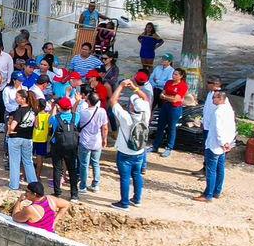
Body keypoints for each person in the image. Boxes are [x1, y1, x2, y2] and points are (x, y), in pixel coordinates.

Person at [109, 79, 152, 209]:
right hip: (139, 151)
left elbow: (112, 101)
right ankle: (137, 199)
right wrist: (134, 88)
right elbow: (146, 98)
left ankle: (124, 203)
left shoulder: (126, 117)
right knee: (137, 174)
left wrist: (121, 86)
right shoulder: (146, 115)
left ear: (132, 106)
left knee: (125, 178)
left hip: (125, 152)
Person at [195, 87, 236, 202]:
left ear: (220, 98)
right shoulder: (229, 110)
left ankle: (208, 194)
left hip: (215, 145)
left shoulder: (218, 112)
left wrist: (223, 142)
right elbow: (232, 127)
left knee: (211, 170)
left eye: (214, 97)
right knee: (220, 169)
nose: (213, 99)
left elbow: (218, 130)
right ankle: (217, 191)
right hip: (224, 145)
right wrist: (228, 143)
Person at [5, 90, 40, 190]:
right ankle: (34, 185)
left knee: (15, 162)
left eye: (17, 97)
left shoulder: (19, 111)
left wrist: (9, 126)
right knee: (28, 161)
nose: (16, 99)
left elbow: (12, 127)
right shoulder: (34, 110)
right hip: (28, 138)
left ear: (23, 99)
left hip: (15, 137)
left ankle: (14, 185)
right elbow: (36, 125)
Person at [75, 92, 108, 193]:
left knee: (84, 164)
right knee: (96, 163)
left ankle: (83, 186)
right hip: (97, 141)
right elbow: (105, 127)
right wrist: (104, 139)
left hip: (85, 140)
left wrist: (77, 102)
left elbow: (74, 117)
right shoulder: (102, 111)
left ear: (88, 101)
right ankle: (95, 184)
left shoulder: (83, 113)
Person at [49, 97, 80, 200]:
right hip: (71, 146)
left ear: (59, 107)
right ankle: (74, 194)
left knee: (57, 169)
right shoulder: (76, 117)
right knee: (72, 170)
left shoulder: (55, 118)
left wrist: (54, 107)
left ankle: (57, 192)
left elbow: (51, 120)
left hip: (57, 146)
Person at [155, 67, 188, 156]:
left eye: (176, 74)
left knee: (171, 128)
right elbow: (162, 94)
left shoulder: (183, 85)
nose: (174, 75)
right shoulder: (169, 82)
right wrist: (168, 97)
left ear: (181, 76)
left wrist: (166, 97)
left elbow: (175, 100)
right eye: (173, 74)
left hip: (175, 108)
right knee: (160, 126)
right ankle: (155, 146)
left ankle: (169, 147)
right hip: (165, 106)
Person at [30, 94, 51, 174]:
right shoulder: (48, 116)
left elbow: (35, 125)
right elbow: (49, 127)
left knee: (29, 158)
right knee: (40, 158)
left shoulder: (35, 115)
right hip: (43, 139)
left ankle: (26, 175)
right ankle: (38, 175)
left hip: (33, 138)